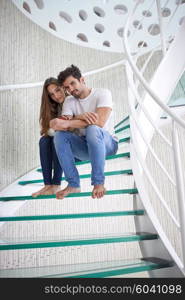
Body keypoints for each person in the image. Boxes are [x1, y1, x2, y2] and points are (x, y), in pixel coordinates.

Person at [49, 65, 118, 199]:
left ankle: (98, 182)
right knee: (59, 136)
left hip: (107, 145)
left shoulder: (103, 93)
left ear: (82, 79)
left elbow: (100, 122)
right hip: (85, 146)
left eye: (73, 83)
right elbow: (61, 126)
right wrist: (80, 116)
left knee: (93, 129)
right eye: (67, 88)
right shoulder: (69, 101)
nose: (71, 89)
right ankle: (73, 184)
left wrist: (68, 122)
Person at [32, 77, 66, 197]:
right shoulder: (55, 107)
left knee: (57, 138)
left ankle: (56, 184)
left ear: (63, 87)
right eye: (51, 94)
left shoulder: (72, 101)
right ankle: (47, 184)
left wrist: (56, 128)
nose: (56, 96)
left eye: (57, 90)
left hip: (73, 143)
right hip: (59, 143)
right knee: (44, 141)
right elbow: (47, 130)